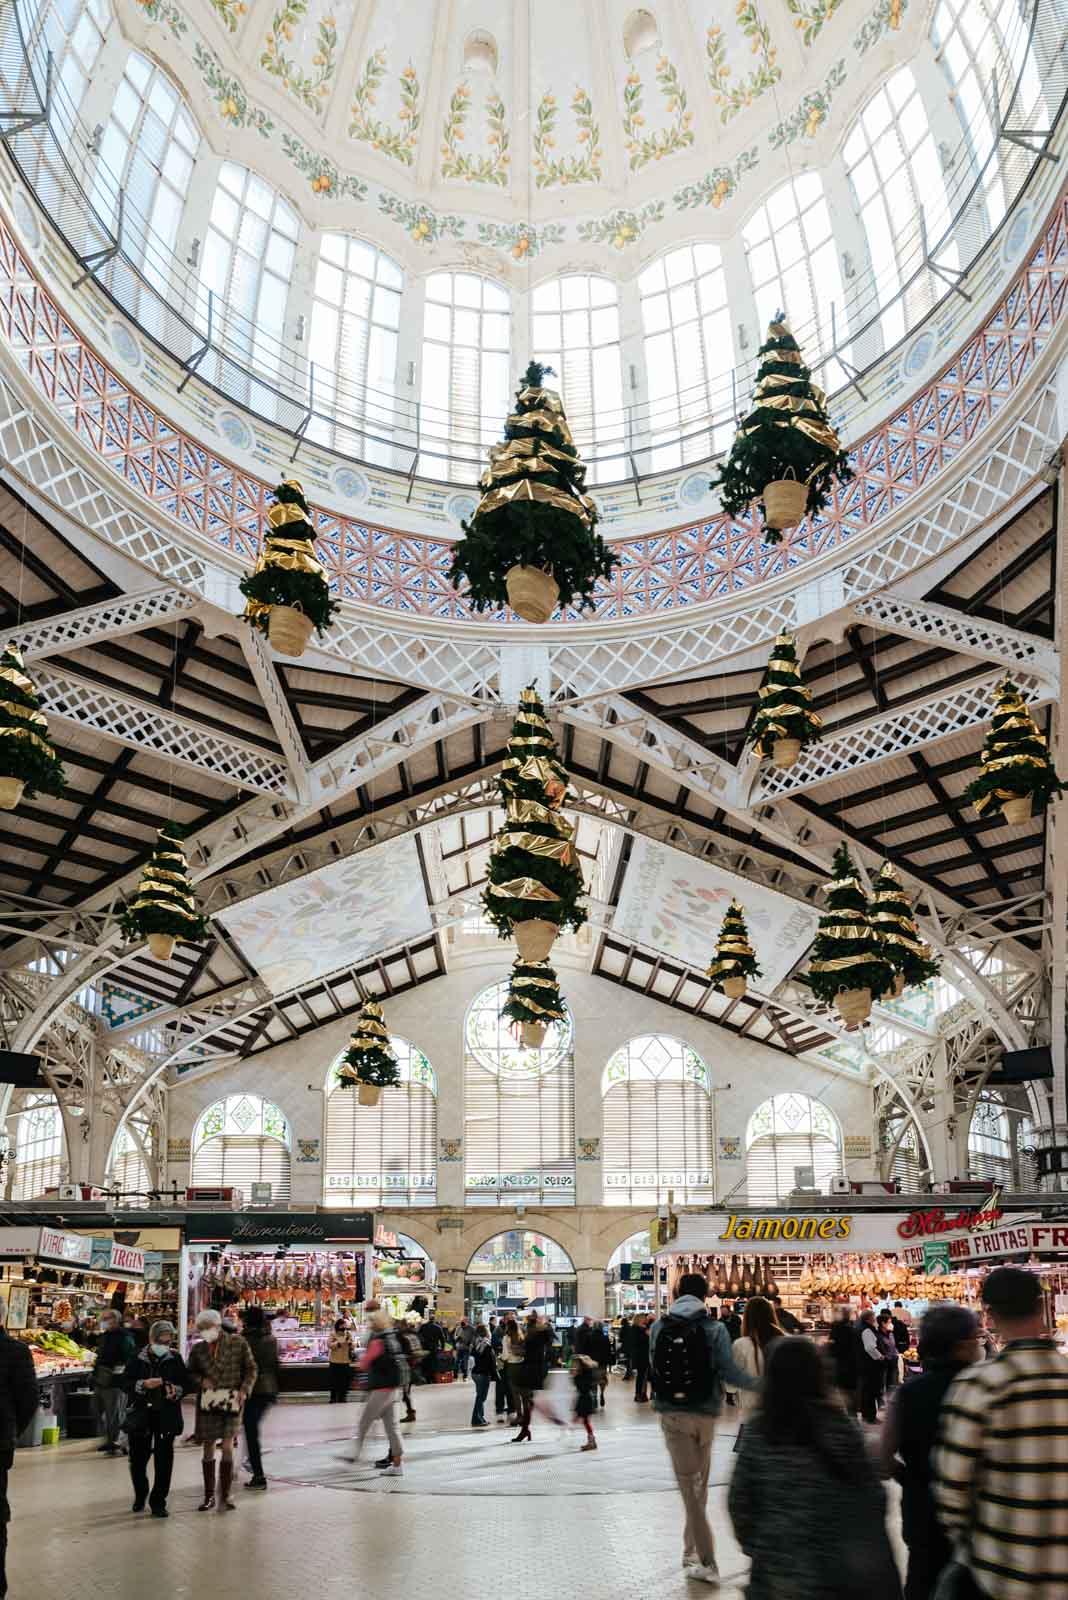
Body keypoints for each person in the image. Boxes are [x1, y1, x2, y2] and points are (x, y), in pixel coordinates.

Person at [729, 1336, 903, 1600]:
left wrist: (763, 1547)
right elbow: (873, 1495)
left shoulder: (758, 1432)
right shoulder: (842, 1428)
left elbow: (740, 1503)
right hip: (838, 1573)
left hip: (779, 1576)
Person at [934, 1265, 1068, 1598]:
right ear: (1041, 1306)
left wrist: (982, 1544)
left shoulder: (979, 1384)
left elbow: (951, 1491)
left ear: (989, 1314)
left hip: (1001, 1577)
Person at [650, 1271, 758, 1585]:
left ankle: (707, 1561)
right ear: (705, 1295)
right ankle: (689, 1551)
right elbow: (730, 1376)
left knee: (690, 1491)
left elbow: (653, 1368)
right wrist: (763, 1383)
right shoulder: (714, 1328)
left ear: (677, 1292)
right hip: (706, 1417)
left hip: (673, 1416)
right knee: (699, 1489)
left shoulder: (659, 1327)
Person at [881, 1304, 981, 1600]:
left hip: (922, 1510)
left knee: (922, 1582)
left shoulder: (908, 1393)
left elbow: (883, 1459)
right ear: (962, 1346)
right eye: (975, 1338)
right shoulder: (981, 1389)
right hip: (976, 1516)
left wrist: (910, 1477)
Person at [187, 1307, 257, 1512]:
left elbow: (252, 1368)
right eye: (201, 1330)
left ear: (217, 1326)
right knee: (208, 1445)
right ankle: (209, 1496)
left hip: (231, 1401)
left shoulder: (238, 1342)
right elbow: (190, 1372)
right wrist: (201, 1380)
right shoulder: (198, 1349)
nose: (204, 1333)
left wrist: (245, 1390)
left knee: (227, 1446)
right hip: (208, 1402)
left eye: (207, 1328)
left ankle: (225, 1495)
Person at [121, 1319, 191, 1518]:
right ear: (152, 1339)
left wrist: (174, 1390)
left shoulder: (175, 1359)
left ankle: (158, 1500)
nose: (165, 1345)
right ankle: (140, 1494)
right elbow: (125, 1382)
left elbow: (186, 1384)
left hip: (166, 1415)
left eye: (168, 1342)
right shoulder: (136, 1357)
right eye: (161, 1341)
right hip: (141, 1414)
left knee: (164, 1459)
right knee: (137, 1459)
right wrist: (143, 1384)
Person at [0, 1295, 40, 1595]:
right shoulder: (16, 1351)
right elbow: (28, 1400)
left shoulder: (16, 1351)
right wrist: (11, 1432)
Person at [350, 1307, 406, 1476]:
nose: (369, 1324)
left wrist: (360, 1360)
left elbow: (364, 1363)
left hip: (380, 1389)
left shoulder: (376, 1341)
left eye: (370, 1321)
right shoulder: (391, 1337)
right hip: (393, 1388)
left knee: (364, 1423)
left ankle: (353, 1455)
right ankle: (397, 1465)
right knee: (392, 1428)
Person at [240, 1305, 279, 1490]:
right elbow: (276, 1365)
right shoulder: (271, 1339)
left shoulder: (244, 1340)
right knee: (250, 1429)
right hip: (269, 1388)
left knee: (250, 1431)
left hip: (252, 1389)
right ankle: (251, 1465)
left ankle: (258, 1474)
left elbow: (243, 1366)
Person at [731, 1296, 784, 1429]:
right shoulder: (786, 1342)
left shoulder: (741, 1345)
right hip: (782, 1411)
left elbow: (730, 1385)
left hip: (751, 1414)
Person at [94, 1307, 136, 1456]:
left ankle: (118, 1442)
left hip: (116, 1380)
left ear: (116, 1320)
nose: (104, 1322)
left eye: (107, 1319)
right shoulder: (105, 1336)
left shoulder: (124, 1336)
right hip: (101, 1378)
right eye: (103, 1319)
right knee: (100, 1410)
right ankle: (110, 1440)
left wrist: (119, 1371)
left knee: (115, 1413)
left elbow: (130, 1356)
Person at [511, 1310, 551, 1443]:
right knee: (526, 1398)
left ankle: (525, 1429)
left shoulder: (535, 1336)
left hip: (532, 1368)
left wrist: (518, 1350)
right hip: (533, 1368)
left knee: (525, 1396)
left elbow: (529, 1351)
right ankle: (525, 1429)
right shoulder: (536, 1335)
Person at [827, 1305, 859, 1415]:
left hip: (840, 1363)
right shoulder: (852, 1328)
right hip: (851, 1363)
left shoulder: (836, 1327)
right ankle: (851, 1413)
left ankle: (844, 1412)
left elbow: (832, 1346)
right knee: (851, 1390)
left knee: (842, 1390)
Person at [857, 1308, 886, 1424]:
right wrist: (880, 1357)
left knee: (866, 1390)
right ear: (869, 1318)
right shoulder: (867, 1330)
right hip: (871, 1365)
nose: (875, 1319)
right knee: (871, 1391)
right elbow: (869, 1347)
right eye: (873, 1316)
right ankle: (870, 1417)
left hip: (864, 1364)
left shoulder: (860, 1327)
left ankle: (866, 1415)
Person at [470, 1324, 496, 1428]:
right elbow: (489, 1361)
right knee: (481, 1397)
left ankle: (481, 1417)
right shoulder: (486, 1343)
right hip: (483, 1373)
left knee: (480, 1396)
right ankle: (476, 1419)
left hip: (475, 1372)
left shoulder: (475, 1341)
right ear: (485, 1332)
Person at [572, 1351, 599, 1451]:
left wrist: (575, 1377)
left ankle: (592, 1442)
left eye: (575, 1364)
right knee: (585, 1421)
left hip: (585, 1399)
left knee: (585, 1421)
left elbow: (582, 1387)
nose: (574, 1366)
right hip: (585, 1398)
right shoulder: (586, 1373)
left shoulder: (583, 1375)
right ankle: (591, 1441)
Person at [502, 1316, 523, 1426]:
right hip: (522, 1366)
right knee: (523, 1393)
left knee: (515, 1393)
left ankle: (519, 1416)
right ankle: (525, 1415)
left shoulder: (506, 1338)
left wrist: (501, 1357)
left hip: (512, 1366)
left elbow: (505, 1355)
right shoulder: (520, 1336)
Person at [327, 1317, 354, 1404]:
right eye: (342, 1325)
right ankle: (333, 1398)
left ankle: (343, 1397)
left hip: (345, 1361)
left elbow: (353, 1346)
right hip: (335, 1361)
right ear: (338, 1326)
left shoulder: (348, 1334)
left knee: (345, 1381)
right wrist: (339, 1342)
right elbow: (329, 1345)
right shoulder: (333, 1334)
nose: (344, 1328)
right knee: (334, 1381)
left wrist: (350, 1344)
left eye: (345, 1326)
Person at [588, 1319, 613, 1408]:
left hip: (592, 1362)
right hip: (603, 1362)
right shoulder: (605, 1337)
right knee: (602, 1379)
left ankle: (594, 1396)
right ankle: (602, 1393)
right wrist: (610, 1362)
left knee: (593, 1380)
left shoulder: (589, 1336)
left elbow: (587, 1350)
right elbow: (608, 1351)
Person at [877, 1308, 901, 1394]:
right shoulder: (878, 1336)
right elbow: (881, 1350)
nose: (891, 1324)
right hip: (885, 1364)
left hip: (893, 1362)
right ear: (883, 1323)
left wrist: (897, 1355)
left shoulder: (890, 1333)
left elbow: (893, 1346)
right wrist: (887, 1358)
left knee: (892, 1384)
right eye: (889, 1322)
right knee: (884, 1384)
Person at [489, 1315, 509, 1418]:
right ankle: (500, 1408)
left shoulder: (511, 1329)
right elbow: (495, 1344)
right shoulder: (498, 1330)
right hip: (501, 1360)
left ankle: (510, 1408)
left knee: (509, 1386)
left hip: (509, 1361)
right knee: (501, 1385)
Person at [632, 1313, 651, 1402]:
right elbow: (640, 1341)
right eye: (644, 1318)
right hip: (642, 1356)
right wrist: (647, 1335)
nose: (646, 1320)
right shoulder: (638, 1330)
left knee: (642, 1376)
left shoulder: (639, 1329)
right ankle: (640, 1394)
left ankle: (641, 1394)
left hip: (641, 1356)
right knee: (642, 1376)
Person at [618, 1314, 634, 1379]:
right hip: (631, 1346)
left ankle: (628, 1374)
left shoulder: (623, 1329)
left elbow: (620, 1339)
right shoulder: (630, 1327)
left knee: (626, 1360)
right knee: (629, 1360)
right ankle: (630, 1373)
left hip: (625, 1347)